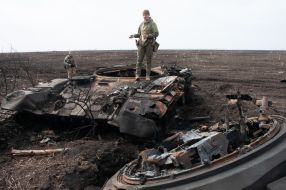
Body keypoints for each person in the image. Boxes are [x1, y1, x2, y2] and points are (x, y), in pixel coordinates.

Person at [129, 9, 159, 81]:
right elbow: (139, 34)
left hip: (149, 44)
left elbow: (156, 33)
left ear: (149, 15)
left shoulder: (153, 24)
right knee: (139, 60)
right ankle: (137, 76)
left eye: (146, 15)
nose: (144, 16)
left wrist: (148, 36)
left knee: (148, 61)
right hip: (141, 44)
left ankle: (147, 76)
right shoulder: (141, 24)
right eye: (143, 15)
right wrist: (133, 35)